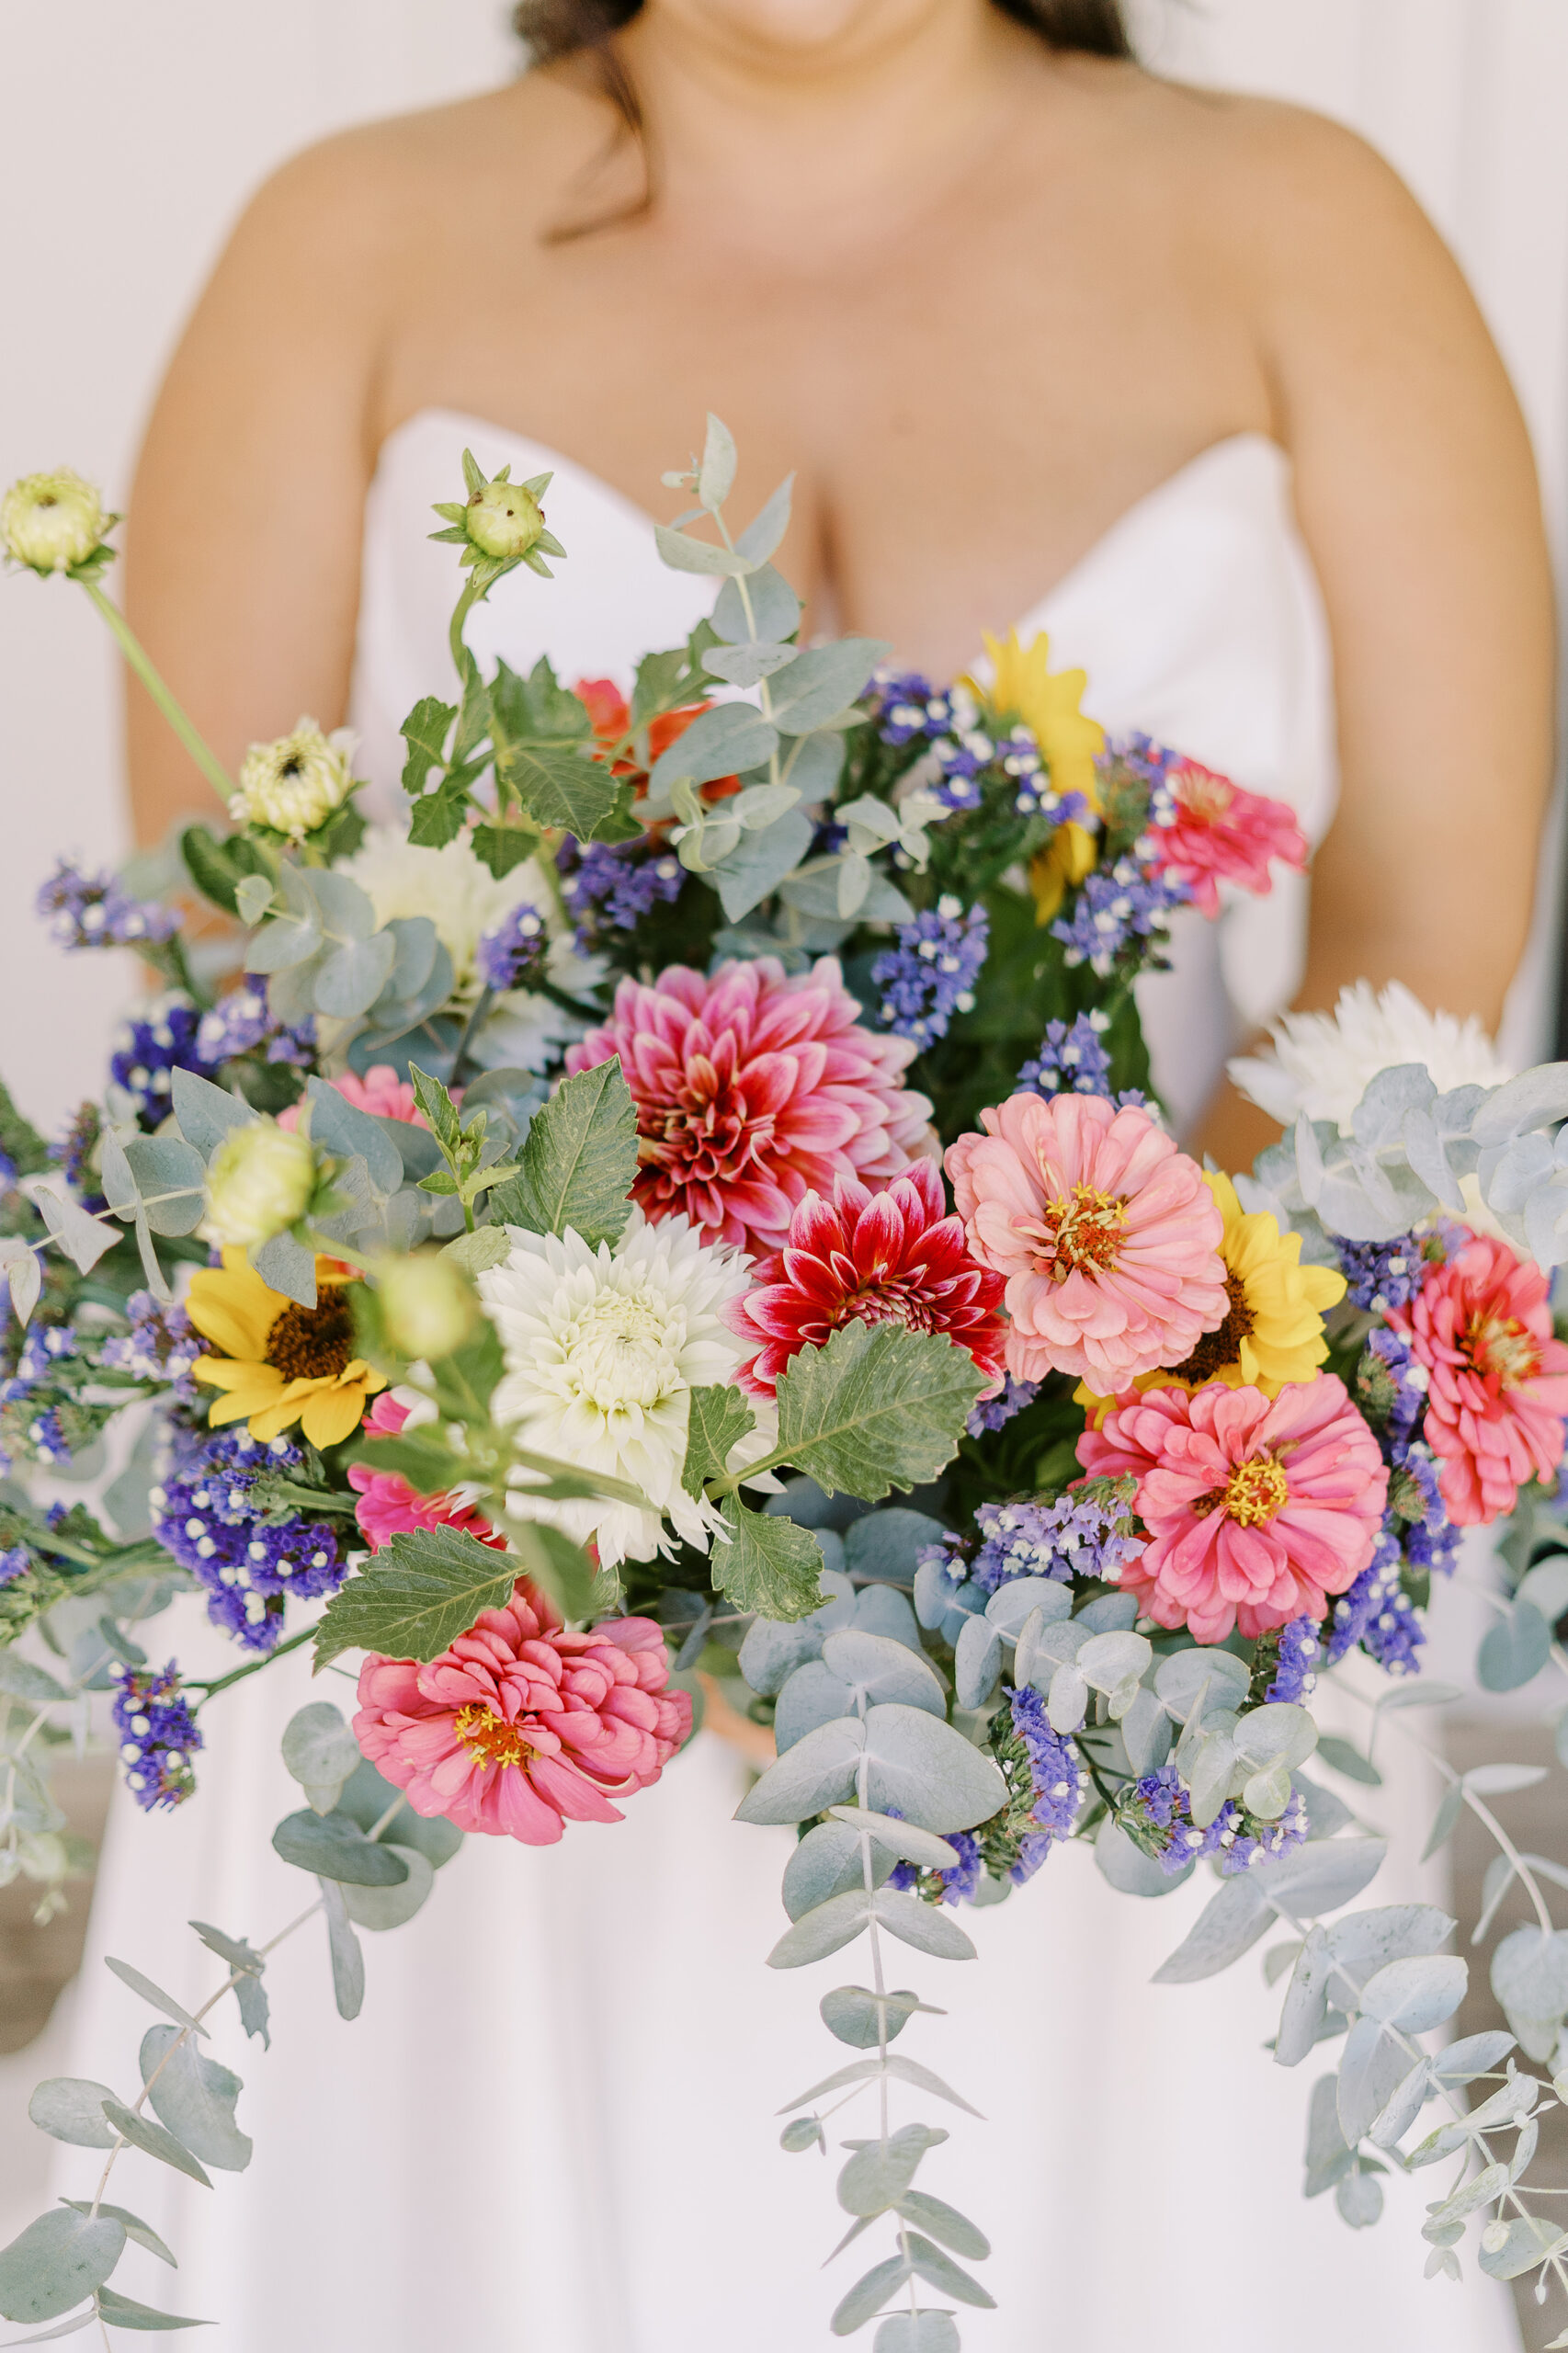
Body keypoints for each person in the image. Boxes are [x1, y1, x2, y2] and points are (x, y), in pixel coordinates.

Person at [61, 2, 1547, 2346]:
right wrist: (615, 1474)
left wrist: (1070, 1439)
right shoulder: (343, 242)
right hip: (487, 1584)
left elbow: (1420, 936)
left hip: (1121, 1613)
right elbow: (242, 953)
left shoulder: (1303, 229)